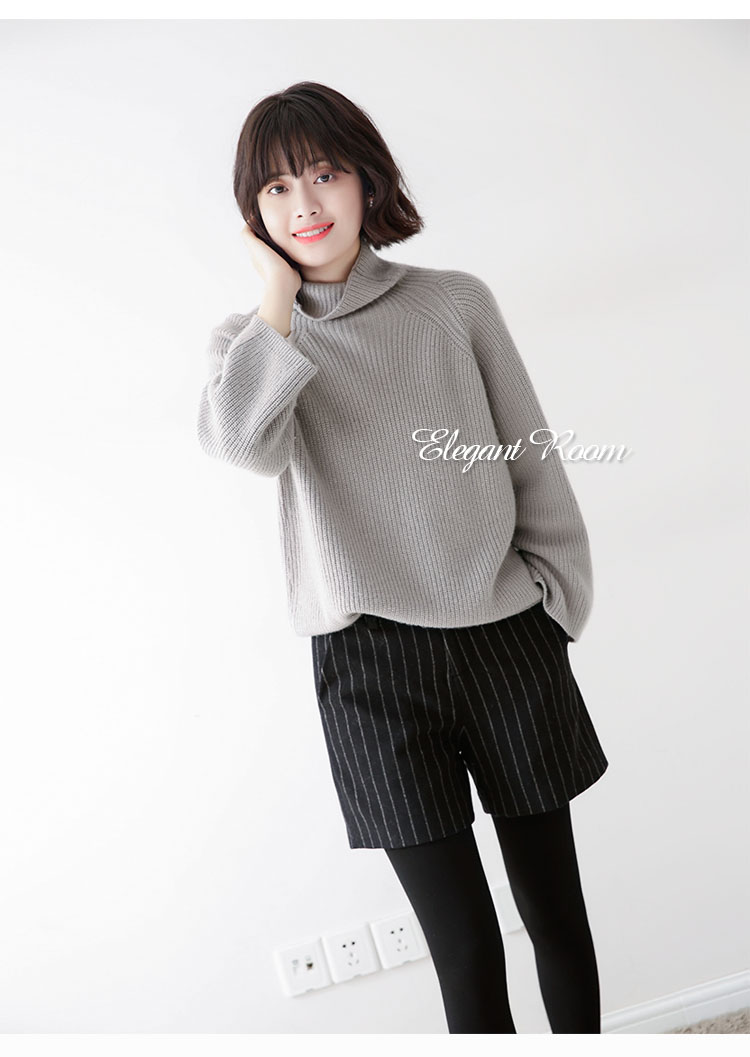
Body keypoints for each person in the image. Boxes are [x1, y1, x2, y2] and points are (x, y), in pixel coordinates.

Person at [197, 80, 610, 1034]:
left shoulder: (453, 303)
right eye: (276, 189)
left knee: (556, 914)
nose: (304, 204)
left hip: (507, 635)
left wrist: (557, 603)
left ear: (366, 179)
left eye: (324, 174)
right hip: (369, 666)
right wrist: (276, 300)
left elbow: (530, 455)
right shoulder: (251, 343)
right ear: (253, 213)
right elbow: (244, 447)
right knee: (464, 947)